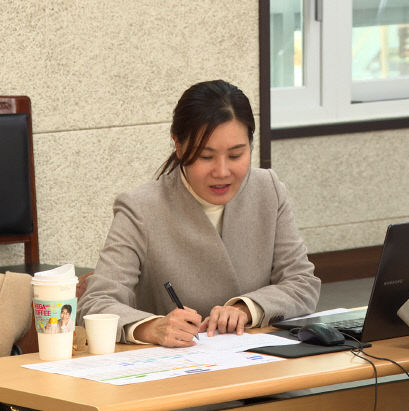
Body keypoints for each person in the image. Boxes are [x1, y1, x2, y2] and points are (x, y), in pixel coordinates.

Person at [78, 80, 320, 348]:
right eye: (206, 157)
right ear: (179, 146)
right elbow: (96, 303)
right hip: (174, 372)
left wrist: (246, 308)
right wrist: (151, 327)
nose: (222, 171)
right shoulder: (141, 208)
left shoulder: (268, 190)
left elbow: (301, 283)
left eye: (236, 154)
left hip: (260, 364)